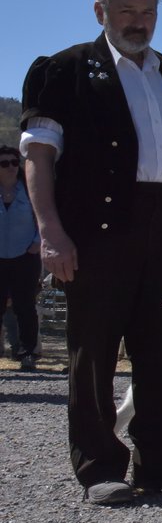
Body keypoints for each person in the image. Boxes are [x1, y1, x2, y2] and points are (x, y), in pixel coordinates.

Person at [20, 0, 162, 506]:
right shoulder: (63, 71)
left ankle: (161, 461)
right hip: (95, 228)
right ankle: (98, 467)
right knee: (93, 348)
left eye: (147, 14)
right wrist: (50, 231)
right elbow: (39, 157)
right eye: (126, 13)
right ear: (101, 13)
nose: (139, 24)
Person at [0, 147, 42, 372]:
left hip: (25, 256)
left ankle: (27, 352)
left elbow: (43, 214)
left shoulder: (29, 189)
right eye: (4, 163)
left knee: (24, 306)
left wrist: (38, 242)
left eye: (14, 163)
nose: (10, 168)